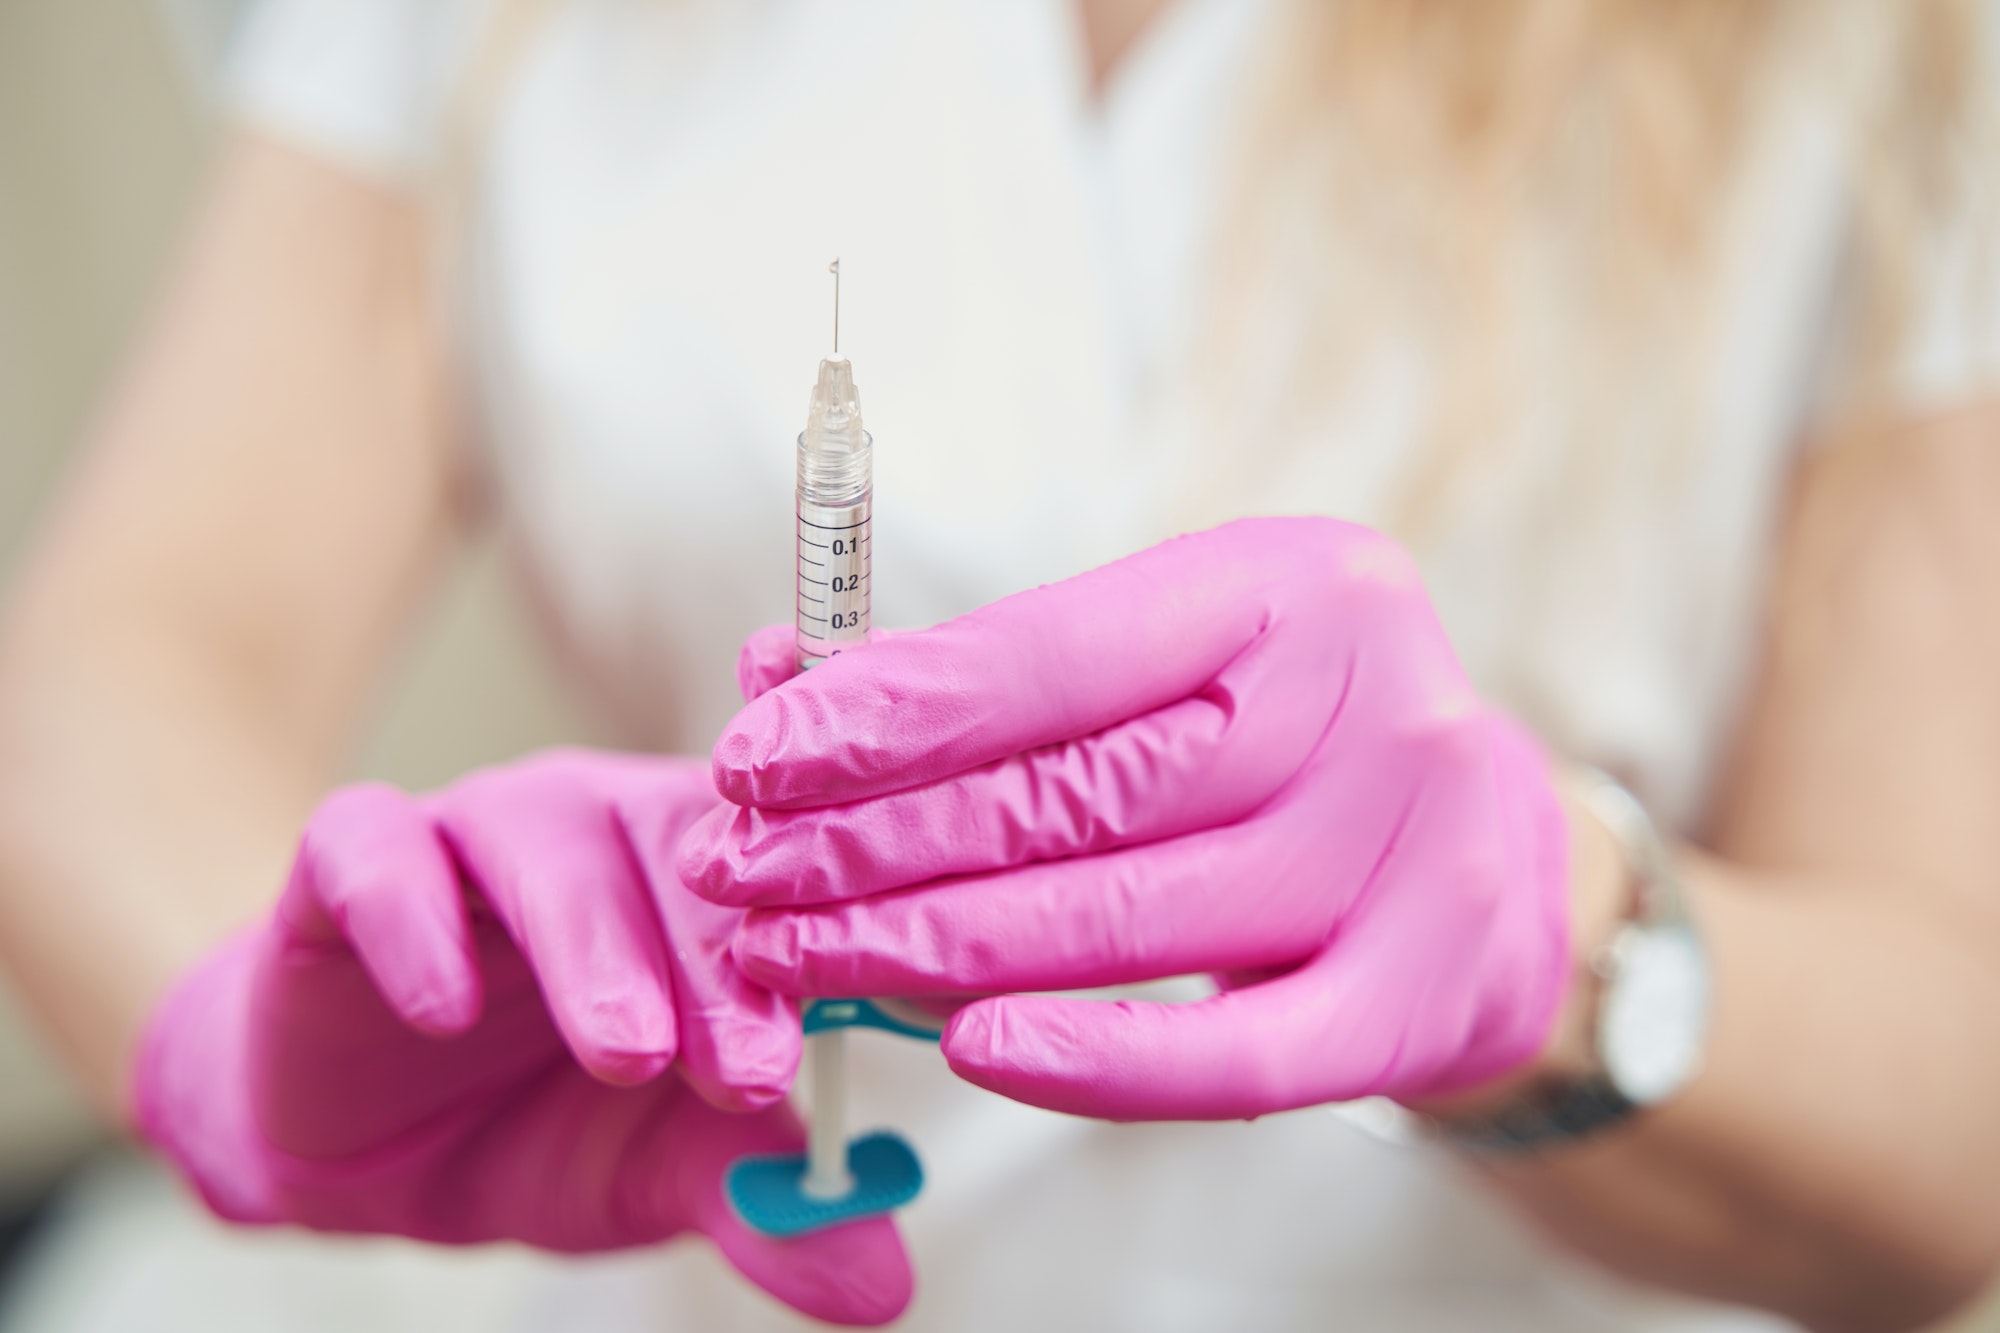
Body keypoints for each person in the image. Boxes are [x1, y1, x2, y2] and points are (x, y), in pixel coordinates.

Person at [1, 0, 1998, 1329]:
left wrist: (1557, 938)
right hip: (733, 1250)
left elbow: (1950, 1105)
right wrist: (242, 1019)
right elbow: (129, 663)